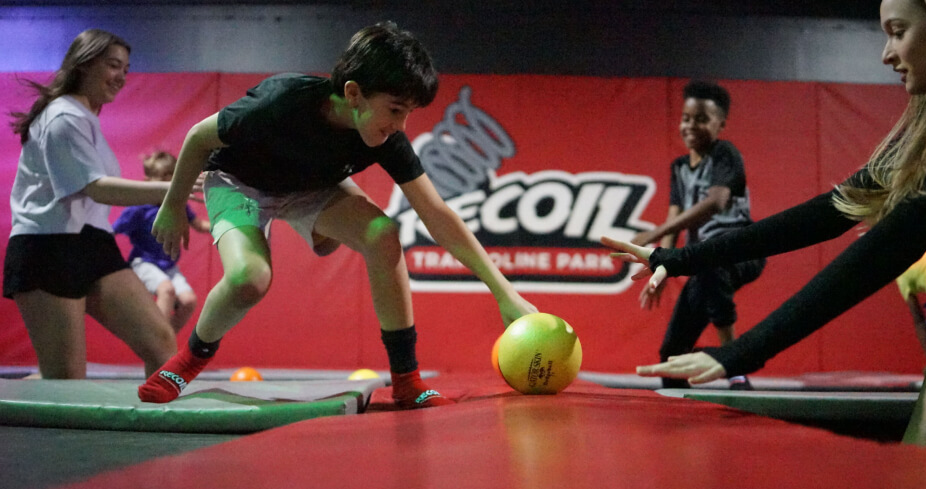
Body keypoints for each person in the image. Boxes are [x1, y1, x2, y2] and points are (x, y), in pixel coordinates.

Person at [603, 0, 926, 451]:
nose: (886, 54)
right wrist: (678, 258)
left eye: (897, 31)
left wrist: (741, 351)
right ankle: (921, 470)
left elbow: (892, 244)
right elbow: (830, 212)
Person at [137, 22, 538, 409]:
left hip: (313, 186)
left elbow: (436, 212)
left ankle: (406, 381)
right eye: (395, 109)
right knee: (250, 279)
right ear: (353, 93)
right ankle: (189, 360)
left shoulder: (385, 137)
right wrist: (173, 206)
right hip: (241, 182)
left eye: (409, 113)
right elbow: (197, 138)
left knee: (383, 233)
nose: (400, 126)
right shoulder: (281, 100)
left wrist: (505, 293)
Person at [4, 29, 178, 379]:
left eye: (127, 70)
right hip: (47, 247)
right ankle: (25, 393)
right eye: (113, 65)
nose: (121, 77)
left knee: (162, 345)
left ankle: (158, 427)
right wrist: (176, 188)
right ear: (83, 64)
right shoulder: (62, 117)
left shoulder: (85, 120)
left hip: (93, 244)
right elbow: (98, 189)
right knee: (65, 381)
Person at [631, 81, 765, 390]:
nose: (691, 125)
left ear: (720, 124)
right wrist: (660, 268)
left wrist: (654, 232)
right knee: (670, 360)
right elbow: (675, 218)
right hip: (704, 261)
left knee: (709, 264)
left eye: (701, 119)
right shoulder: (679, 167)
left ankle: (735, 366)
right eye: (686, 118)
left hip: (742, 250)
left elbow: (715, 203)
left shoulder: (725, 154)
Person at [113, 151, 211, 333]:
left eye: (171, 183)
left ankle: (166, 342)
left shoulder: (177, 204)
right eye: (161, 183)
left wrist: (227, 224)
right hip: (143, 263)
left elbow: (199, 225)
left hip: (168, 266)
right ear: (148, 181)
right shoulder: (138, 209)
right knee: (166, 291)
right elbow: (112, 232)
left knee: (188, 301)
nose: (166, 189)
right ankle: (156, 341)